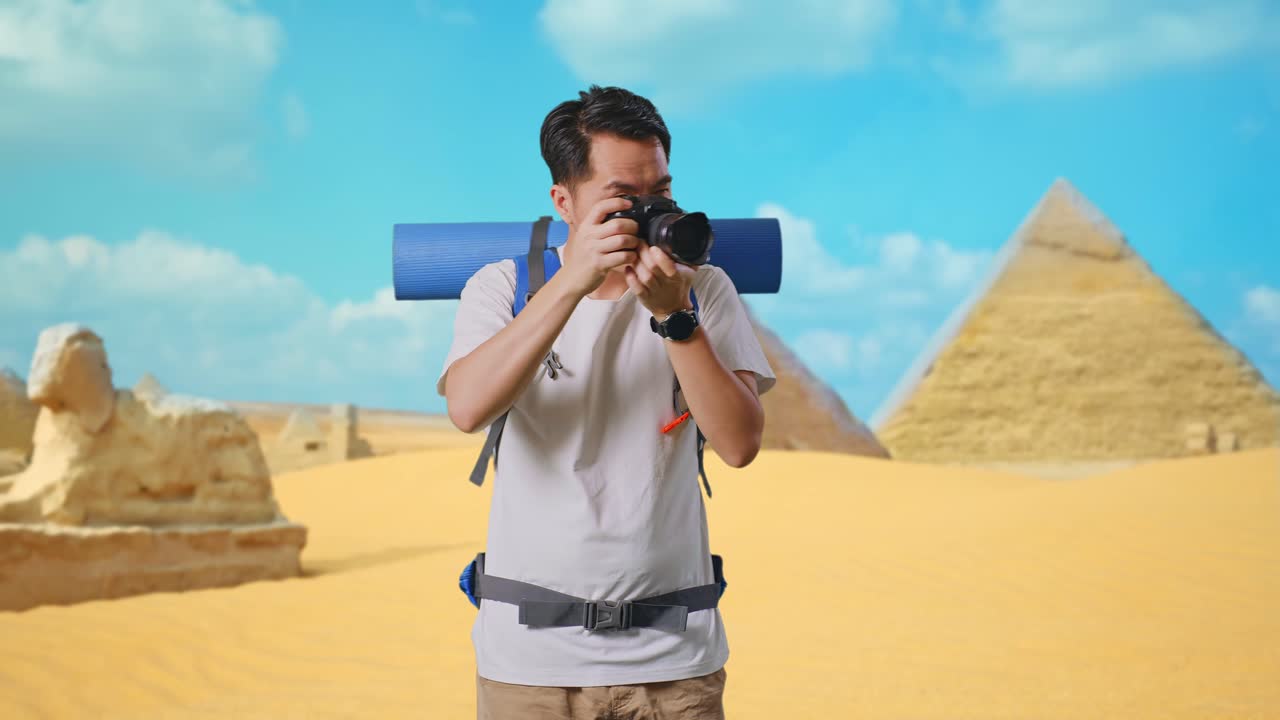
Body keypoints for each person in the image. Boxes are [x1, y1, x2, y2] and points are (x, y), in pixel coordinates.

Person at [438, 84, 777, 719]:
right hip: (530, 667)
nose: (650, 216)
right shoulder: (505, 286)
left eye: (663, 195)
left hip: (676, 665)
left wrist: (676, 319)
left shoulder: (703, 290)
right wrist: (571, 283)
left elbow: (739, 443)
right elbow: (466, 407)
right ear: (564, 202)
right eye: (625, 200)